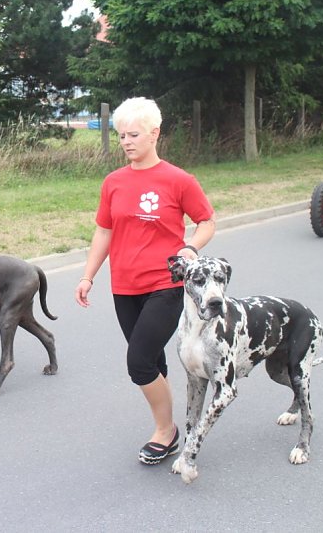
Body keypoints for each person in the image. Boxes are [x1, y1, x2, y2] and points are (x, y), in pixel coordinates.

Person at [74, 97, 216, 465]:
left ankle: (165, 431)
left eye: (133, 134)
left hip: (164, 284)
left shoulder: (178, 179)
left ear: (154, 134)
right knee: (152, 359)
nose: (126, 142)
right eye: (121, 135)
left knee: (138, 362)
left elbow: (207, 221)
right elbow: (103, 231)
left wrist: (190, 247)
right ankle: (168, 429)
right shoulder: (113, 182)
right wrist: (88, 275)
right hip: (124, 286)